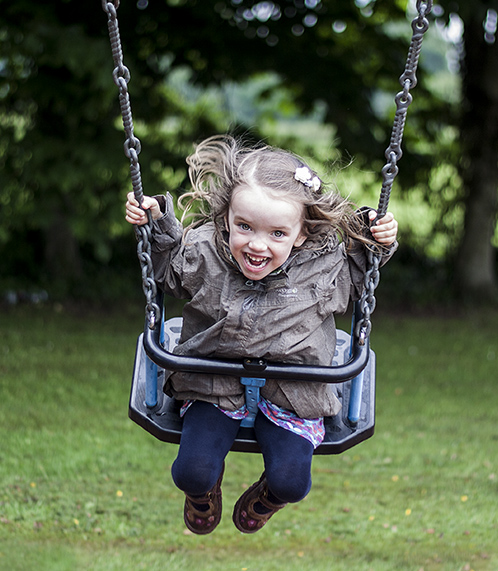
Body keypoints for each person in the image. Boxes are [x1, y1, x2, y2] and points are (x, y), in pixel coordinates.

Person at [125, 135, 398, 535]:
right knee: (191, 473)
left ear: (302, 233)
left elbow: (361, 269)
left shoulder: (325, 269)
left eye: (277, 234)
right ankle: (204, 493)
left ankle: (267, 497)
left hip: (295, 392)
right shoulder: (205, 252)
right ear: (227, 219)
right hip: (211, 382)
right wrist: (157, 221)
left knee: (292, 482)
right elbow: (167, 271)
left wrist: (375, 234)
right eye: (244, 227)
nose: (256, 244)